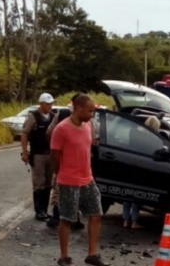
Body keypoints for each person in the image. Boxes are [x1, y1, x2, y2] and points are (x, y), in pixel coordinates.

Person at [51, 94, 109, 266]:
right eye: (90, 111)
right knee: (67, 218)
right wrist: (60, 175)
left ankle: (92, 254)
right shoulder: (61, 129)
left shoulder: (88, 125)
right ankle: (64, 256)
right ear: (78, 108)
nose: (92, 115)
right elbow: (54, 155)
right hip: (69, 180)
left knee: (96, 213)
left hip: (87, 178)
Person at [45, 94, 85, 230]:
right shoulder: (85, 118)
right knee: (76, 188)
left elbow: (49, 132)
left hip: (63, 157)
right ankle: (73, 218)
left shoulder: (62, 114)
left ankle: (57, 216)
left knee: (58, 187)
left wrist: (56, 147)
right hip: (77, 159)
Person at [21, 93, 57, 221]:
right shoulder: (33, 116)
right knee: (38, 183)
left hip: (50, 154)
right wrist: (25, 152)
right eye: (47, 104)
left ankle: (45, 210)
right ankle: (39, 210)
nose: (50, 106)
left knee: (48, 183)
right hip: (38, 154)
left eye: (51, 103)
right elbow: (25, 134)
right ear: (41, 104)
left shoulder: (53, 116)